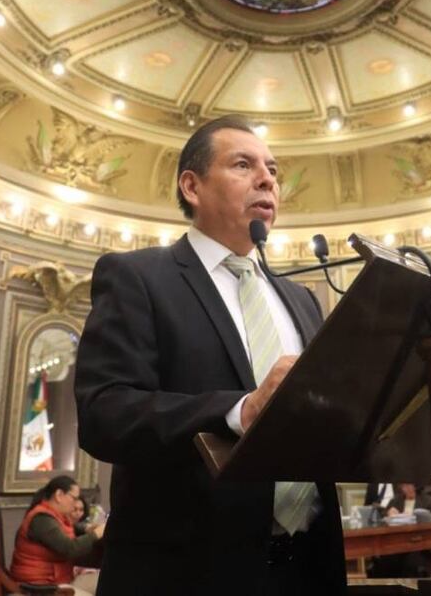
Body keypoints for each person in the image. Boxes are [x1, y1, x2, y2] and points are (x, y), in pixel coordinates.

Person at [74, 116, 346, 593]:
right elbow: (105, 413)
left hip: (307, 568)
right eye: (244, 164)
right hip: (186, 573)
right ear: (192, 186)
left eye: (273, 170)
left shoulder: (302, 299)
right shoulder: (138, 277)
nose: (267, 179)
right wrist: (238, 410)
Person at [10, 476, 103, 595]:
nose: (75, 504)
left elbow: (67, 527)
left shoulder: (52, 515)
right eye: (74, 498)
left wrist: (86, 528)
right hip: (40, 587)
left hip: (54, 579)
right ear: (59, 495)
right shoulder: (42, 519)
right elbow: (70, 549)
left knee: (107, 580)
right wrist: (97, 533)